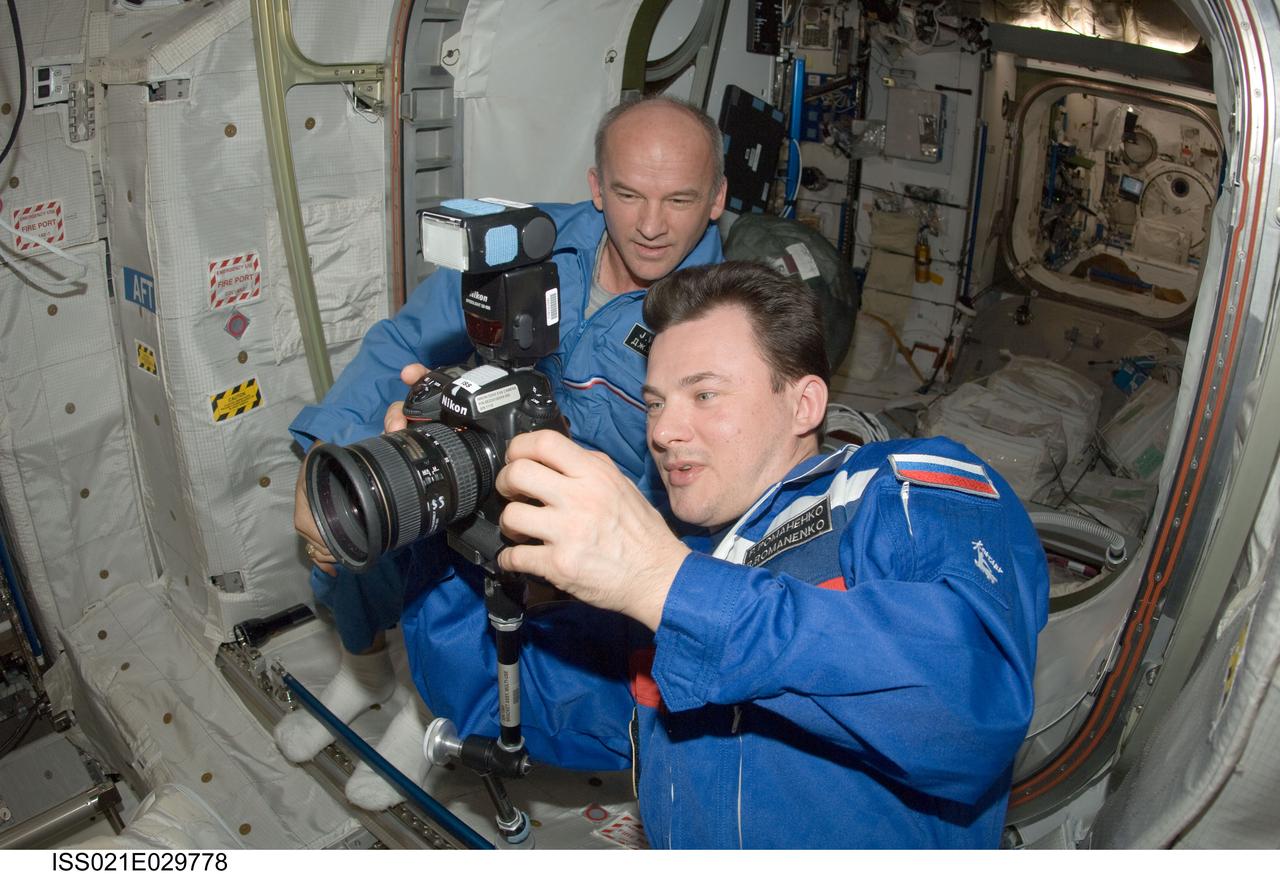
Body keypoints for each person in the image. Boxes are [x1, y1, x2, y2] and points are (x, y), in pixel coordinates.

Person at [474, 261, 1050, 848]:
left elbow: (967, 712)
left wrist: (667, 585)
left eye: (704, 393)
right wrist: (456, 528)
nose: (663, 430)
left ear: (804, 405)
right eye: (654, 403)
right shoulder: (681, 557)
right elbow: (517, 707)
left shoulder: (895, 491)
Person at [276, 94, 727, 810]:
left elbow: (717, 508)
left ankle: (428, 714)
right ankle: (365, 671)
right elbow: (402, 343)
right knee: (363, 498)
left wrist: (600, 559)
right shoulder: (521, 245)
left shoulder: (723, 320)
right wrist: (323, 452)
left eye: (679, 199)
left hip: (589, 539)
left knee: (494, 608)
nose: (649, 225)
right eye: (627, 193)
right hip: (483, 466)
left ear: (717, 200)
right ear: (594, 186)